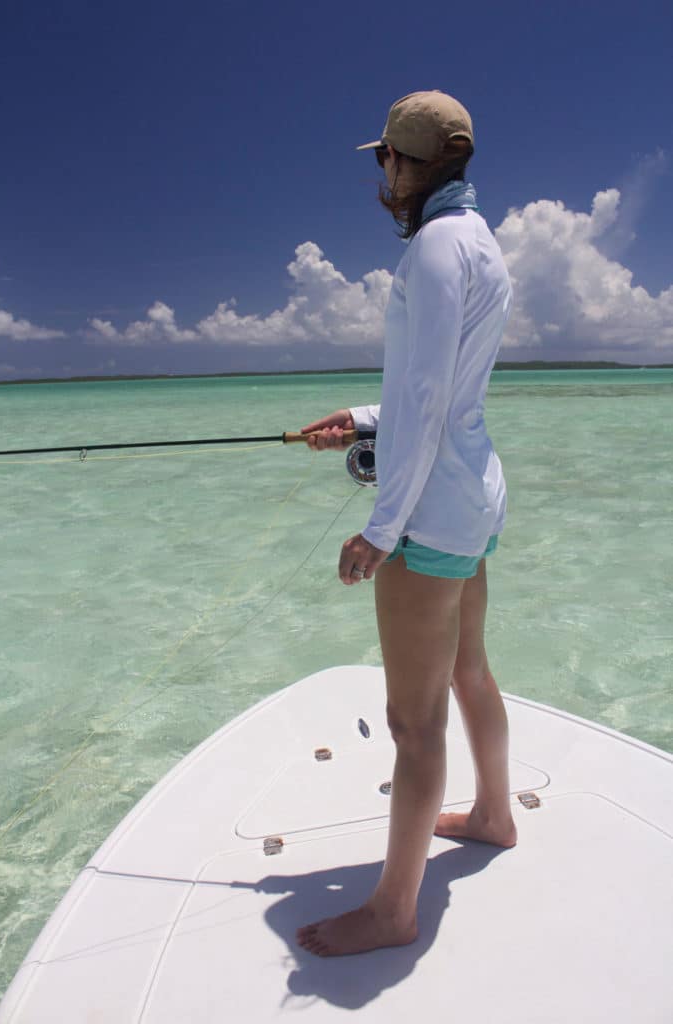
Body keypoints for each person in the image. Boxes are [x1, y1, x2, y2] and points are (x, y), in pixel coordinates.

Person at [295, 90, 517, 959]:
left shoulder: (431, 248)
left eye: (383, 158)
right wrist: (360, 416)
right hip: (475, 493)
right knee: (469, 671)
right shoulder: (482, 243)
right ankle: (495, 814)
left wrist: (382, 528)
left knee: (412, 723)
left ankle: (394, 910)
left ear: (403, 163)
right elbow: (437, 392)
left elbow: (424, 398)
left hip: (429, 513)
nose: (381, 173)